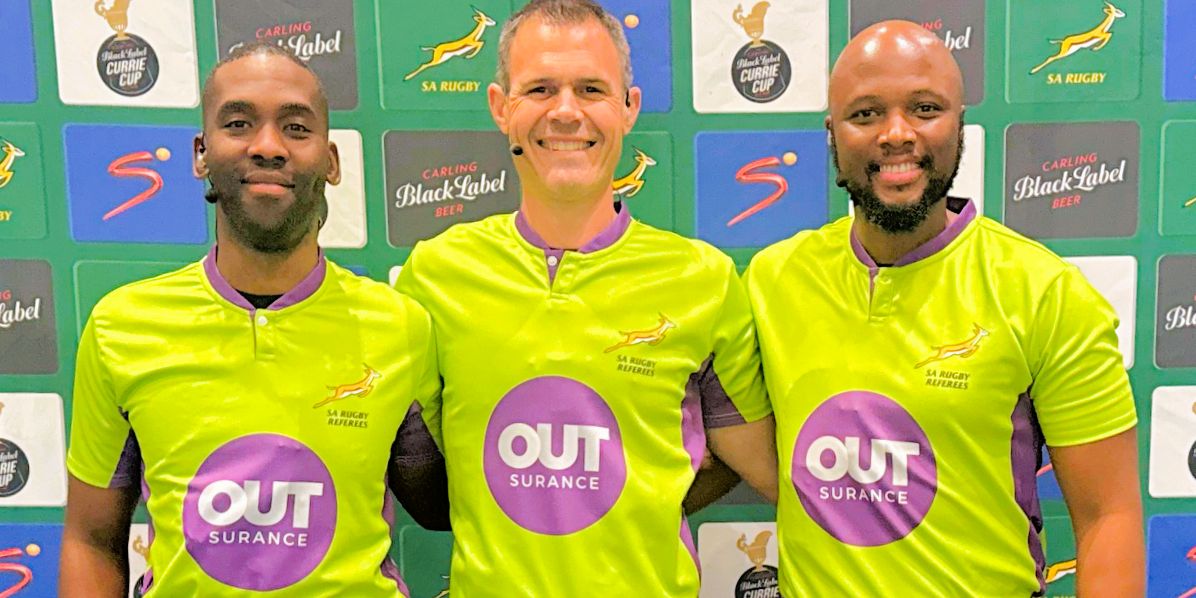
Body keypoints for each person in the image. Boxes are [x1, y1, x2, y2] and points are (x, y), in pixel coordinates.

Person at [744, 21, 1144, 597]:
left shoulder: (1046, 293)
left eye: (925, 109)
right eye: (865, 114)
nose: (896, 134)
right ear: (832, 133)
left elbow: (1109, 516)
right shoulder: (772, 279)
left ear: (960, 126)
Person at [394, 0, 778, 595]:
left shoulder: (702, 279)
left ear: (629, 108)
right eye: (540, 89)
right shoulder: (436, 273)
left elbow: (774, 472)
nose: (566, 112)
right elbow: (399, 460)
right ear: (501, 107)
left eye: (592, 89)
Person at [60, 42, 446, 597]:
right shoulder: (121, 327)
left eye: (296, 128)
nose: (267, 146)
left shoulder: (400, 326)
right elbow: (91, 539)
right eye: (239, 123)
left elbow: (447, 508)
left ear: (331, 161)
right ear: (201, 153)